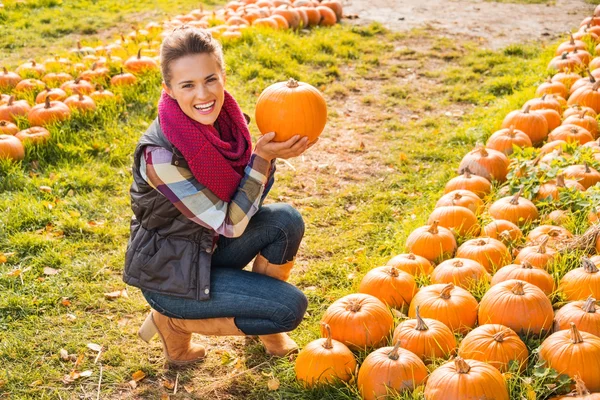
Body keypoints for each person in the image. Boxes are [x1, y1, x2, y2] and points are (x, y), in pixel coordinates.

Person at [122, 26, 315, 366]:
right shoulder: (161, 157)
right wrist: (262, 160)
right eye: (187, 85)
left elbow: (246, 199)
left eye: (210, 79)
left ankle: (261, 325)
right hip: (171, 274)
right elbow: (231, 223)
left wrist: (264, 160)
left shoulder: (228, 124)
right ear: (169, 89)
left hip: (204, 246)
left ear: (222, 75)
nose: (203, 94)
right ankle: (173, 320)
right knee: (288, 309)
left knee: (285, 221)